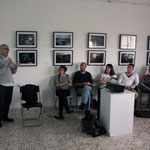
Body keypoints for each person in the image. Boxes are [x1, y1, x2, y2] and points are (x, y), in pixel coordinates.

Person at [0, 44, 19, 128]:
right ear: (1, 50)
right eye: (6, 49)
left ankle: (5, 117)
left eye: (8, 49)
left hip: (10, 83)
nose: (8, 50)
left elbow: (13, 72)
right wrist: (7, 65)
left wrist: (15, 67)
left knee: (8, 102)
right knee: (1, 103)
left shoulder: (9, 59)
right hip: (2, 84)